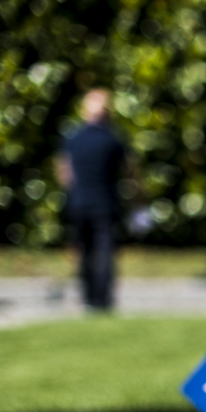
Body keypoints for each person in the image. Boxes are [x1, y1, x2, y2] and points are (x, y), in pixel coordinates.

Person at [56, 89, 129, 312]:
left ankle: (88, 297)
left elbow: (64, 173)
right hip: (105, 203)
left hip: (79, 203)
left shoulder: (73, 138)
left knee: (84, 251)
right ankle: (103, 299)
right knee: (105, 252)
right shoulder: (113, 139)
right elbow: (127, 171)